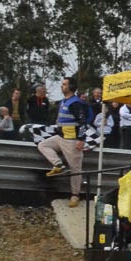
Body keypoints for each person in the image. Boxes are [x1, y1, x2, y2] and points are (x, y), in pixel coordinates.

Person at [37, 77, 88, 207]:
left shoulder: (75, 103)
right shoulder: (64, 101)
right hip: (60, 137)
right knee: (43, 145)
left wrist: (81, 139)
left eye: (64, 84)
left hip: (71, 140)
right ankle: (58, 164)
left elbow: (82, 122)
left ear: (70, 87)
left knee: (75, 169)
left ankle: (75, 195)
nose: (62, 86)